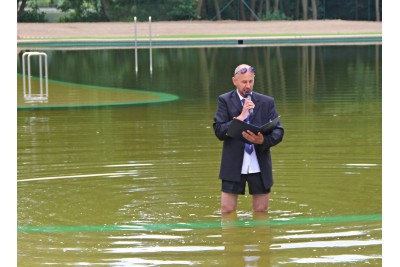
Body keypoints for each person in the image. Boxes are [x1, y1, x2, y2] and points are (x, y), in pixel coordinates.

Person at [213, 63, 284, 213]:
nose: (248, 86)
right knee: (227, 211)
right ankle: (230, 236)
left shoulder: (267, 102)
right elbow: (219, 131)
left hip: (259, 163)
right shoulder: (224, 100)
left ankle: (259, 237)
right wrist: (240, 117)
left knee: (261, 211)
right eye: (244, 82)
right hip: (233, 164)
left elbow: (278, 131)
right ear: (235, 81)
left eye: (251, 81)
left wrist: (263, 141)